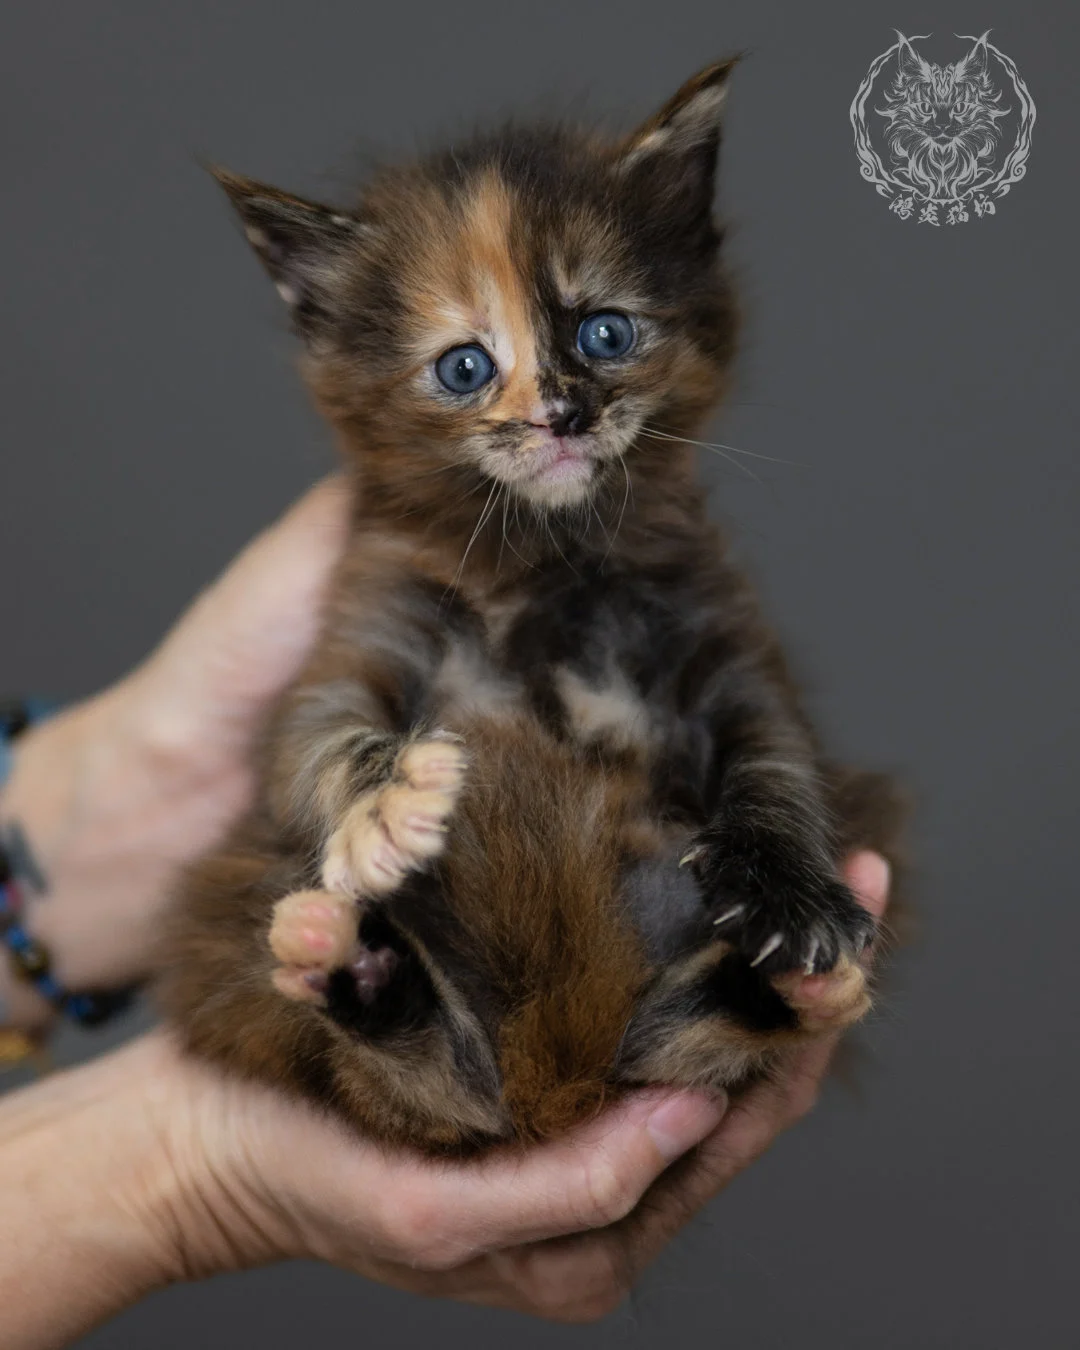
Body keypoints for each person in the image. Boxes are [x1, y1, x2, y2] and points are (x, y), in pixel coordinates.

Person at [0, 478, 890, 1349]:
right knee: (263, 930)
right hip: (462, 925)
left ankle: (692, 1003)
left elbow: (748, 729)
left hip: (629, 904)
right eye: (463, 367)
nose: (546, 409)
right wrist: (194, 1170)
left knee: (777, 846)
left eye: (611, 337)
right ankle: (422, 1018)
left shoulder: (660, 540)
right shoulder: (401, 547)